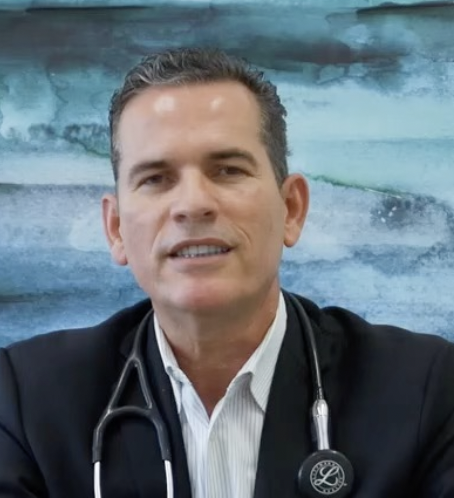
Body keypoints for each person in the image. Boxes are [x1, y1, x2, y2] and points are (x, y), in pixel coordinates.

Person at [0, 47, 453, 498]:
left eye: (227, 170)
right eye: (156, 178)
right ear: (116, 228)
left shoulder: (426, 390)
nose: (193, 204)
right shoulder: (27, 400)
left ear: (292, 209)